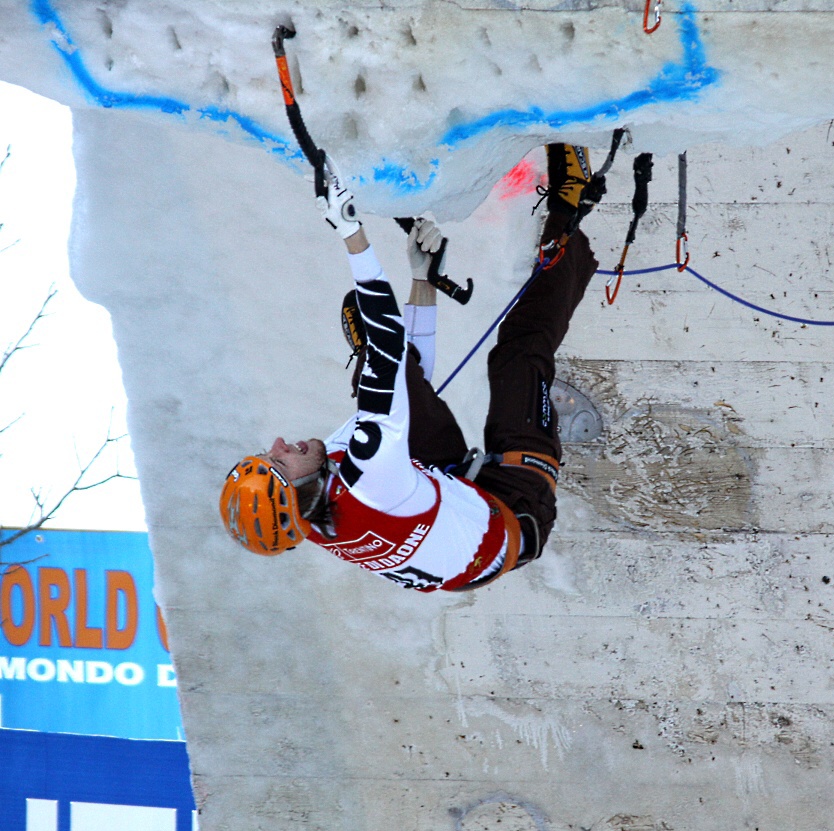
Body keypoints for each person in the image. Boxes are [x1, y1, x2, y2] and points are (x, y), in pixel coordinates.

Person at [220, 144, 602, 592]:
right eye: (277, 459)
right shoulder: (368, 479)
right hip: (515, 509)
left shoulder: (316, 509)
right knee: (516, 358)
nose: (280, 442)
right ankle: (570, 205)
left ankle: (434, 470)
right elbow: (386, 345)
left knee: (382, 381)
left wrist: (423, 280)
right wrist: (349, 228)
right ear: (298, 490)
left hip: (443, 497)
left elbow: (405, 386)